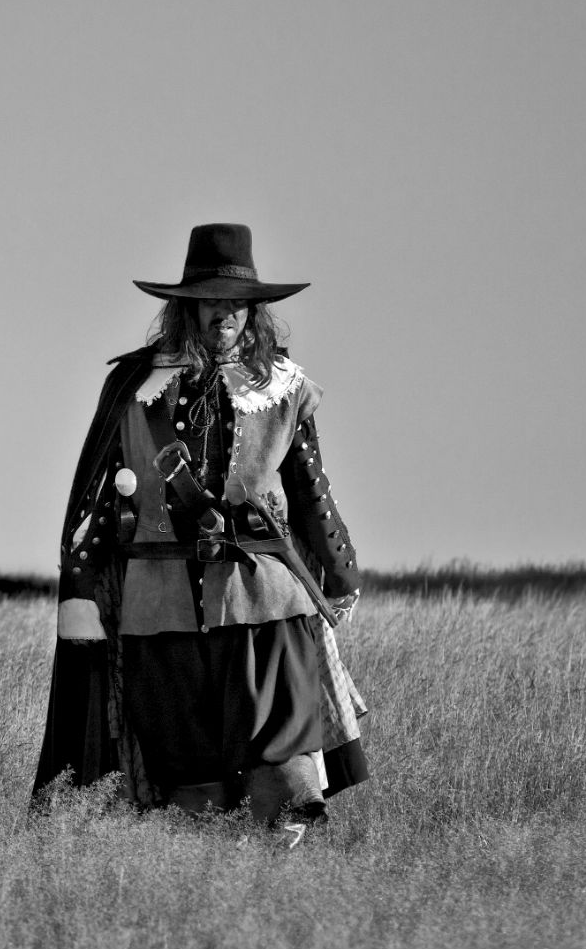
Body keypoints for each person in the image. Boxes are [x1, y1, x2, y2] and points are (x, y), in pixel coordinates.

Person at [32, 223, 369, 841]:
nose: (225, 312)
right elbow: (100, 496)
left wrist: (341, 569)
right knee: (189, 770)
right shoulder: (133, 386)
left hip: (264, 598)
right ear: (185, 305)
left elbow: (311, 487)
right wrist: (80, 584)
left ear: (254, 310)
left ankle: (277, 885)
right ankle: (209, 888)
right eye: (211, 299)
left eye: (237, 301)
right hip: (160, 604)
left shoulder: (286, 387)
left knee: (284, 753)